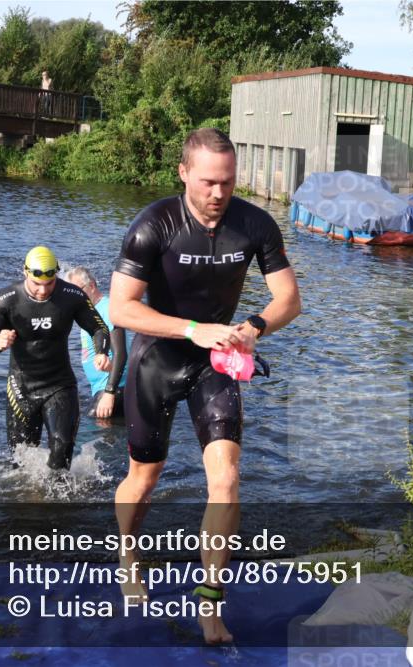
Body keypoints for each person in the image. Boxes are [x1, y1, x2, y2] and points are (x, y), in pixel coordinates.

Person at [110, 128, 302, 643]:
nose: (219, 193)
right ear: (184, 174)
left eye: (229, 182)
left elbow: (288, 298)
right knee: (144, 479)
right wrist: (192, 329)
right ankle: (130, 552)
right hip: (157, 359)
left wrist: (253, 327)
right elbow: (120, 308)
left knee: (227, 480)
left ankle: (210, 603)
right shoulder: (155, 225)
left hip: (217, 361)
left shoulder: (254, 224)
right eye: (208, 182)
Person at [0, 246, 112, 471]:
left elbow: (99, 328)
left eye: (49, 283)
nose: (43, 291)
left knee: (62, 446)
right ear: (25, 273)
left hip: (60, 384)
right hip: (22, 387)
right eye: (37, 284)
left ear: (56, 275)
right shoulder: (5, 300)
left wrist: (101, 352)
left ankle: (59, 500)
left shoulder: (72, 295)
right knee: (21, 460)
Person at [63, 267, 128, 421]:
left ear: (91, 286)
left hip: (115, 388)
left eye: (78, 290)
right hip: (101, 389)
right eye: (70, 292)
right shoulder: (88, 313)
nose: (74, 297)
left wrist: (109, 393)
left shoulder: (107, 309)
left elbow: (121, 354)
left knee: (84, 433)